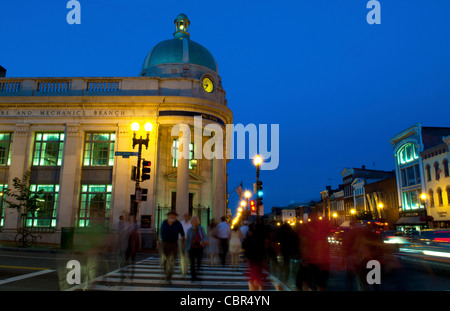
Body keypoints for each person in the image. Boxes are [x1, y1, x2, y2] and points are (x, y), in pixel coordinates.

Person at [160, 211, 185, 284]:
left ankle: (169, 276)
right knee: (165, 260)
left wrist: (183, 243)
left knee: (172, 261)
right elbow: (161, 232)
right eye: (170, 215)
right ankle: (166, 273)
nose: (172, 217)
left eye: (173, 216)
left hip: (174, 244)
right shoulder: (164, 222)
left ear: (175, 216)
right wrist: (159, 242)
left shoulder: (178, 223)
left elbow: (182, 233)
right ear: (168, 216)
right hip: (165, 243)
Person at [185, 216, 206, 281]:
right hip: (192, 248)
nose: (194, 222)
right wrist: (186, 250)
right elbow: (187, 240)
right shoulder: (189, 230)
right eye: (193, 221)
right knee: (192, 263)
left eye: (195, 221)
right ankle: (193, 277)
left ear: (197, 222)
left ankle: (198, 274)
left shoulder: (201, 228)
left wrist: (202, 241)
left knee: (199, 262)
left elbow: (205, 236)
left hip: (199, 248)